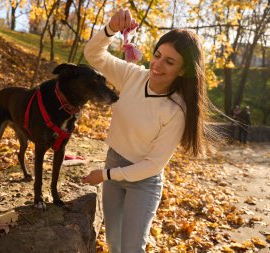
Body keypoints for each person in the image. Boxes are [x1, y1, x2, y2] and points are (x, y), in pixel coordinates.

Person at [81, 9, 212, 253]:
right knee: (114, 243)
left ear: (182, 70)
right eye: (157, 55)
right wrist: (110, 29)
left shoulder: (177, 110)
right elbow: (93, 54)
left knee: (131, 248)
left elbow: (152, 165)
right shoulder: (132, 76)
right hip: (114, 161)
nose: (157, 65)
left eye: (169, 61)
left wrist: (106, 175)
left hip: (143, 180)